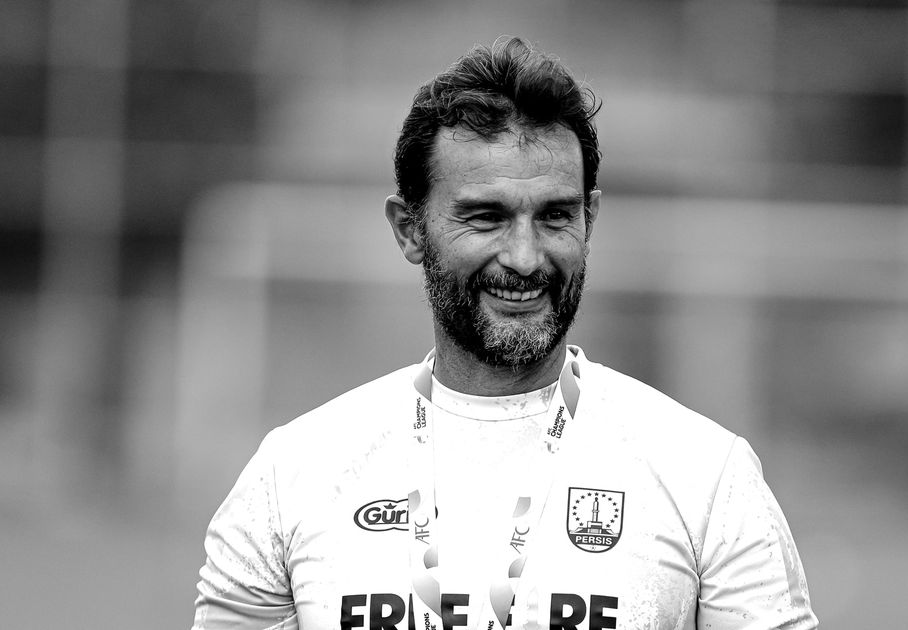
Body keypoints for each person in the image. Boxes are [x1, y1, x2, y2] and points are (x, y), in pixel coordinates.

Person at [192, 37, 818, 630]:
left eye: (555, 216)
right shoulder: (294, 475)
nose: (524, 257)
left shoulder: (705, 476)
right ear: (409, 230)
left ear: (590, 220)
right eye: (486, 217)